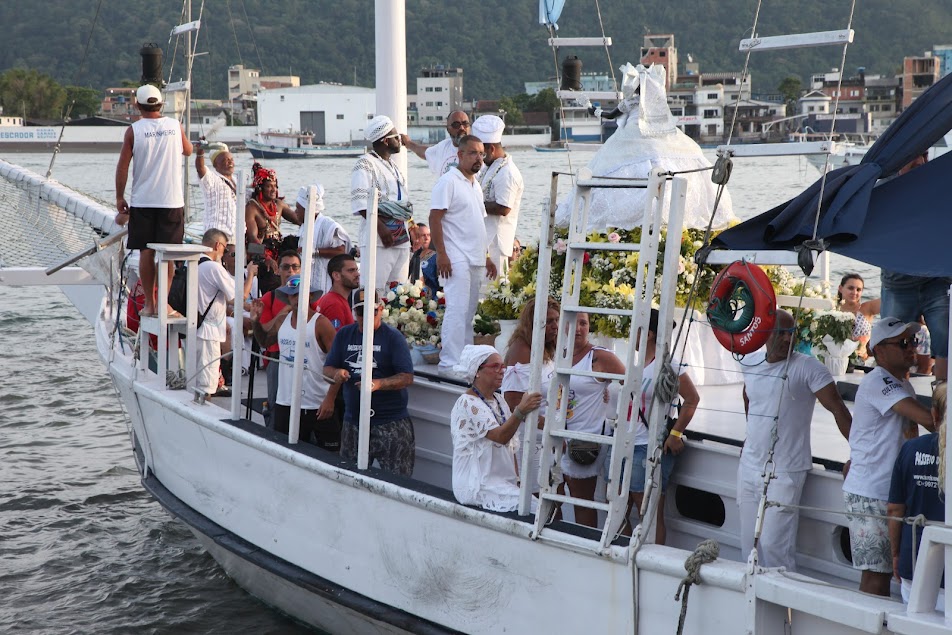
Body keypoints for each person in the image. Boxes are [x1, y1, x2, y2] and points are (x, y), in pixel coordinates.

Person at [739, 309, 852, 571]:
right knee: (748, 546)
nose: (788, 339)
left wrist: (859, 454)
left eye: (792, 333)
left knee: (774, 548)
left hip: (786, 471)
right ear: (764, 334)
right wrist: (750, 437)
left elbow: (838, 409)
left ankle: (782, 598)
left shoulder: (808, 367)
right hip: (748, 467)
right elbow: (749, 397)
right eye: (781, 333)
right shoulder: (751, 363)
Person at [844, 316, 936, 595]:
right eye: (903, 343)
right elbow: (929, 421)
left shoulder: (903, 386)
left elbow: (915, 436)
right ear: (879, 350)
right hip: (871, 493)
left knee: (888, 573)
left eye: (913, 341)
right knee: (876, 577)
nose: (912, 348)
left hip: (890, 493)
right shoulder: (878, 381)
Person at [114, 84, 193, 317]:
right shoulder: (175, 126)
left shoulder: (133, 131)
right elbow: (188, 150)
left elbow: (122, 167)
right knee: (167, 255)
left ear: (137, 105)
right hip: (171, 200)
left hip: (143, 201)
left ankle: (149, 304)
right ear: (161, 104)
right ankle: (163, 303)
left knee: (146, 252)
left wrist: (119, 197)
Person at [626, 309, 700, 543]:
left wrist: (675, 433)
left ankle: (650, 555)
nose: (631, 334)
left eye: (635, 329)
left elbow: (692, 399)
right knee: (618, 504)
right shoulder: (638, 364)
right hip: (627, 442)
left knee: (648, 511)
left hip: (647, 446)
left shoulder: (668, 365)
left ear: (648, 334)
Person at [324, 288, 415, 476]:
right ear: (354, 312)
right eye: (360, 311)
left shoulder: (393, 338)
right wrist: (337, 373)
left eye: (371, 311)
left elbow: (406, 377)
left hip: (390, 422)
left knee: (397, 481)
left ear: (380, 309)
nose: (365, 317)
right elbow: (327, 369)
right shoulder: (344, 335)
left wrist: (377, 384)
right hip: (353, 421)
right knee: (348, 477)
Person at [429, 134, 497, 373]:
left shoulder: (475, 184)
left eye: (481, 154)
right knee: (457, 310)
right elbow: (434, 218)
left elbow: (477, 222)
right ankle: (449, 363)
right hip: (455, 256)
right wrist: (441, 254)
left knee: (469, 313)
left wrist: (486, 256)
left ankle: (465, 360)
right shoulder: (448, 181)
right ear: (460, 154)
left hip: (475, 257)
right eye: (473, 153)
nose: (479, 158)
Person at [880, 153, 951, 382]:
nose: (921, 160)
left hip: (937, 280)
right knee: (890, 344)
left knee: (946, 342)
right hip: (899, 285)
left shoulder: (938, 184)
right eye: (913, 156)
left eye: (925, 155)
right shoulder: (885, 190)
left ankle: (944, 398)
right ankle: (892, 399)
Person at [450, 345, 542, 512]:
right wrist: (520, 411)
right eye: (495, 366)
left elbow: (511, 446)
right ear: (477, 371)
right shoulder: (467, 403)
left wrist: (517, 480)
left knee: (535, 507)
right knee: (534, 508)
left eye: (503, 366)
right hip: (476, 484)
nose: (502, 371)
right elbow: (500, 437)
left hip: (500, 483)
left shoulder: (499, 400)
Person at [558, 312, 626, 527]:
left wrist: (611, 402)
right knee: (557, 495)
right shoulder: (559, 354)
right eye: (573, 323)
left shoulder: (600, 357)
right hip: (558, 437)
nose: (578, 328)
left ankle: (584, 541)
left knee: (582, 501)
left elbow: (632, 387)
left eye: (583, 323)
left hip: (585, 441)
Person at [259, 274, 342, 451]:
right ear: (288, 297)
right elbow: (264, 342)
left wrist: (330, 399)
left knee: (328, 457)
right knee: (283, 452)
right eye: (293, 294)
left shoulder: (321, 323)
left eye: (301, 294)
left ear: (310, 296)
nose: (297, 298)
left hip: (317, 403)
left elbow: (338, 363)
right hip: (285, 402)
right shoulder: (282, 320)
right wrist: (254, 321)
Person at [888, 382, 946, 605]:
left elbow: (895, 509)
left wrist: (896, 554)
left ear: (934, 415)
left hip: (913, 559)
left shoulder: (911, 449)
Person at [350, 115, 413, 291]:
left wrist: (412, 226)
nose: (400, 140)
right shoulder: (365, 163)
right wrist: (381, 228)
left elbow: (401, 203)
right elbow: (361, 204)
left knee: (399, 291)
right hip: (378, 239)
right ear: (385, 140)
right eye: (396, 137)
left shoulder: (392, 165)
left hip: (401, 237)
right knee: (374, 290)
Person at [250, 250, 307, 428]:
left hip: (304, 359)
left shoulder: (309, 296)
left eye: (295, 267)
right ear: (278, 270)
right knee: (275, 404)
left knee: (304, 403)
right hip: (277, 359)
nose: (291, 271)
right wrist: (283, 314)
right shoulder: (271, 297)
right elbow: (265, 333)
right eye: (286, 267)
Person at [196, 228, 256, 398]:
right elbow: (239, 296)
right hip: (208, 330)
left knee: (201, 375)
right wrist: (250, 274)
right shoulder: (213, 267)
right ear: (217, 245)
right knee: (206, 383)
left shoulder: (194, 263)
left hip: (197, 325)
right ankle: (205, 405)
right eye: (225, 248)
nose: (224, 253)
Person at [472, 115, 524, 272]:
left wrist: (473, 204)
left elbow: (503, 208)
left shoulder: (507, 173)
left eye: (482, 153)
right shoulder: (491, 167)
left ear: (491, 149)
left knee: (493, 285)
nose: (480, 157)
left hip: (496, 244)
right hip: (484, 241)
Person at [294, 184, 351, 295]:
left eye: (298, 208)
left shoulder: (328, 225)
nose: (295, 211)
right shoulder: (304, 226)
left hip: (325, 280)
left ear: (306, 209)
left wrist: (314, 252)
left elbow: (341, 251)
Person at [401, 110, 471, 176]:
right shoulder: (443, 148)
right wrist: (408, 143)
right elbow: (424, 152)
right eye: (456, 125)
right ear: (448, 129)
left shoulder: (476, 148)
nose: (462, 128)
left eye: (465, 124)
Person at [245, 162, 300, 245]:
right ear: (260, 188)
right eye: (269, 186)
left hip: (278, 246)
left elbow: (299, 220)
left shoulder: (279, 205)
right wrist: (265, 253)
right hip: (261, 249)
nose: (274, 190)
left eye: (275, 186)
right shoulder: (252, 208)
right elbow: (252, 239)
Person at [195, 142, 237, 241]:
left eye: (231, 159)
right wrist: (200, 153)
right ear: (215, 164)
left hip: (236, 234)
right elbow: (200, 168)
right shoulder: (212, 178)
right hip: (217, 234)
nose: (230, 162)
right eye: (225, 160)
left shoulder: (237, 180)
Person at [836, 273, 880, 363]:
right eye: (850, 288)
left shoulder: (867, 308)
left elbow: (889, 299)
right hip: (837, 360)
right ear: (840, 288)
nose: (854, 292)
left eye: (858, 289)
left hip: (862, 361)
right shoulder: (832, 310)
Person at [316, 253, 360, 331]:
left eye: (356, 270)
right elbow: (335, 337)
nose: (357, 274)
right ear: (336, 275)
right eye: (351, 270)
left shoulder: (333, 299)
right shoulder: (334, 304)